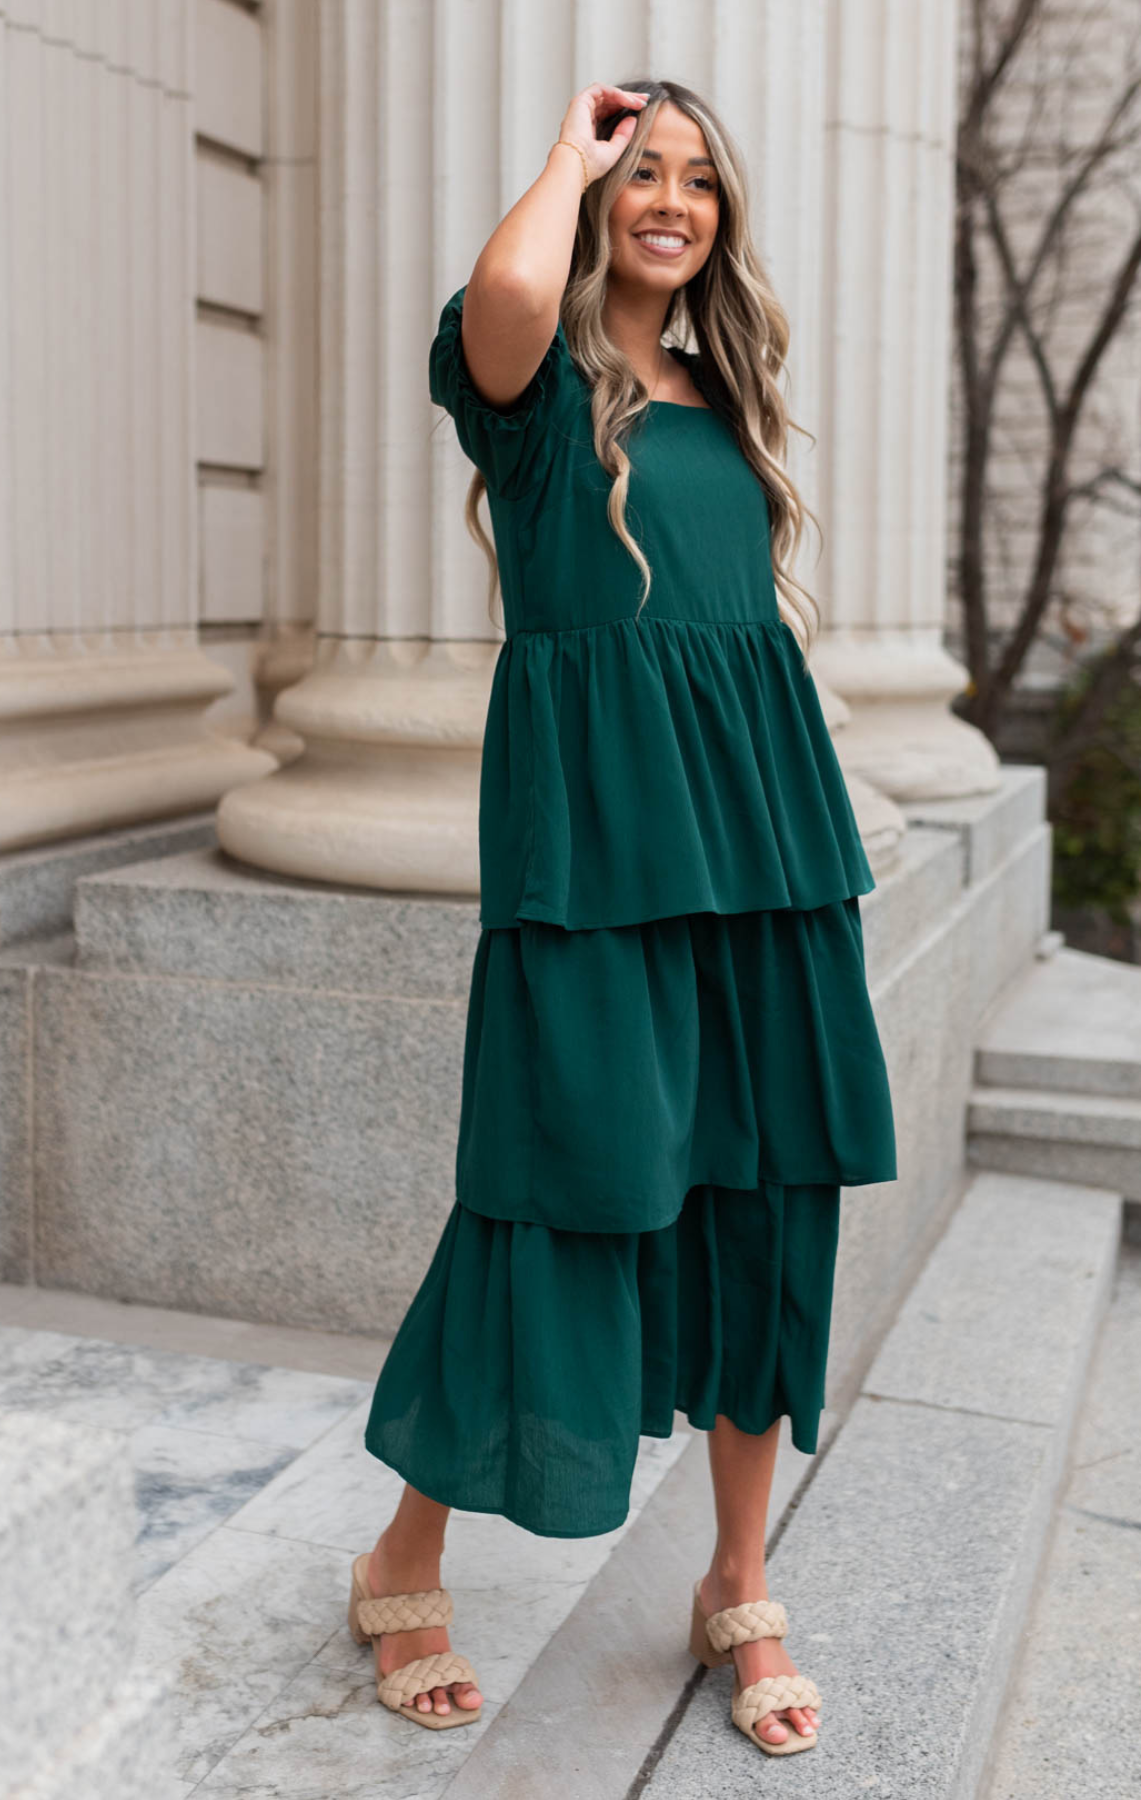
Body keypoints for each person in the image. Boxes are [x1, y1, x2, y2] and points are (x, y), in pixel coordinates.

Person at [353, 77, 898, 1760]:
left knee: (762, 1190)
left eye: (695, 182)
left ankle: (738, 1582)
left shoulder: (723, 392)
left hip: (764, 850)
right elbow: (510, 294)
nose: (668, 199)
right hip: (592, 849)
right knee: (552, 1184)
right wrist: (565, 163)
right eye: (640, 173)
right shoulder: (532, 388)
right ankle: (404, 1554)